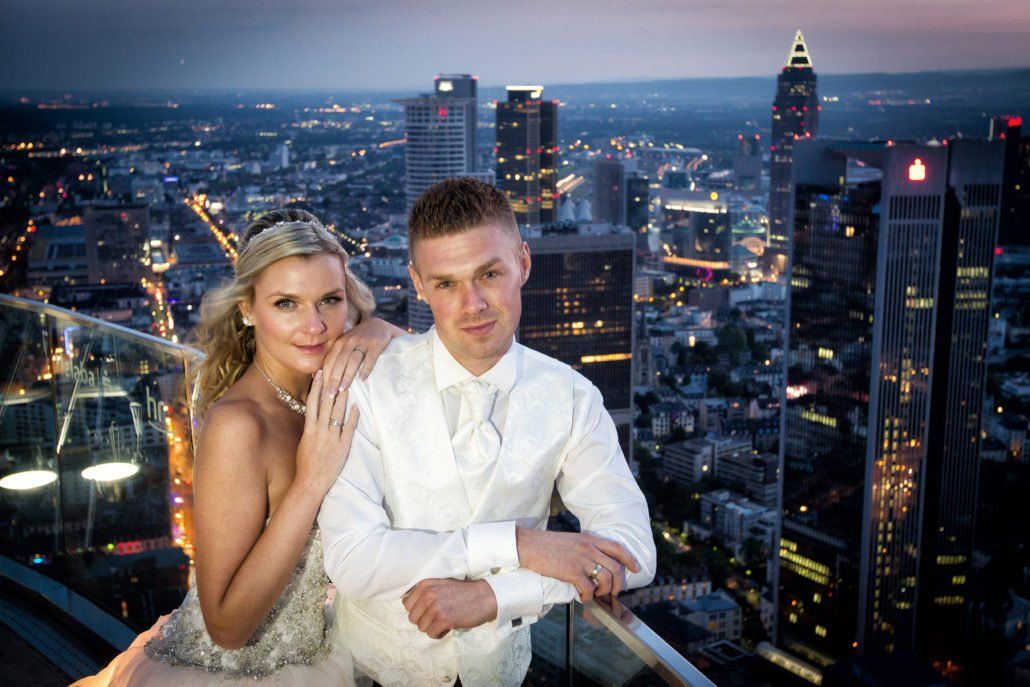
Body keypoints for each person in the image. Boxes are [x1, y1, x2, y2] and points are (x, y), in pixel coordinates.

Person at [319, 178, 657, 687]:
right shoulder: (364, 386)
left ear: (523, 262)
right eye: (445, 283)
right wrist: (520, 546)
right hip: (368, 673)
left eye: (489, 273)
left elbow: (636, 552)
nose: (472, 303)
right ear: (417, 283)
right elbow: (351, 559)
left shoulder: (572, 396)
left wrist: (499, 596)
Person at [72, 209, 404, 687]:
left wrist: (378, 330)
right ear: (248, 309)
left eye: (328, 300)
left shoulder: (323, 383)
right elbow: (226, 626)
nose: (313, 325)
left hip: (325, 640)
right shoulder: (238, 426)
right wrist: (311, 482)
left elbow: (431, 372)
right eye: (286, 304)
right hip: (240, 671)